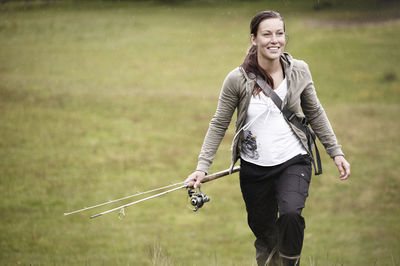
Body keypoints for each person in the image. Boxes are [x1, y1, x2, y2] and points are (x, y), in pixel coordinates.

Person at [184, 10, 350, 266]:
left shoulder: (300, 71)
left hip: (293, 160)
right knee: (265, 234)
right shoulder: (237, 80)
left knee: (291, 215)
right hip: (254, 169)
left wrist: (335, 152)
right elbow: (219, 123)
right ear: (254, 39)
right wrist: (201, 167)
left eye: (280, 33)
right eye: (267, 34)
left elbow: (315, 112)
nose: (275, 40)